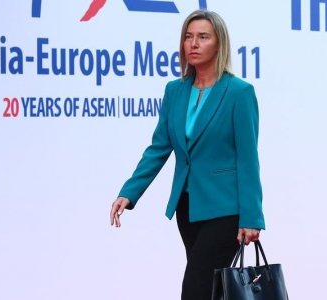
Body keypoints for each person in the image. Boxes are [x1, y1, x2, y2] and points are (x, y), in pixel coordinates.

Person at [110, 9, 265, 300]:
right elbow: (158, 148)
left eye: (203, 37)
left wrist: (252, 216)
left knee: (194, 290)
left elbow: (248, 158)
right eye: (188, 37)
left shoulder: (239, 92)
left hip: (226, 210)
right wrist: (129, 192)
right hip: (188, 207)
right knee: (211, 291)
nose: (193, 43)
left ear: (219, 44)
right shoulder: (175, 91)